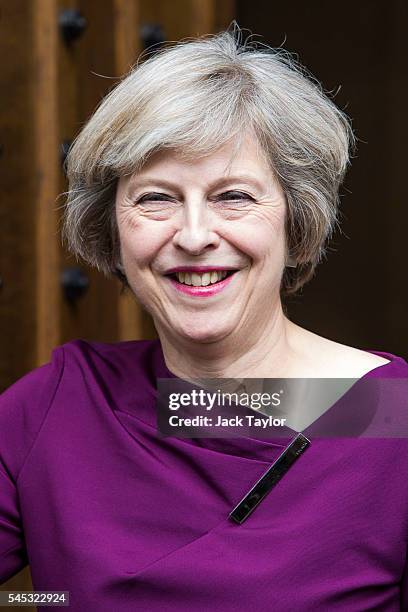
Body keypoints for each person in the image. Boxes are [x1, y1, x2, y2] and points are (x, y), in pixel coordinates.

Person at [1, 24, 407, 611]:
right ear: (111, 231)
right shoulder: (60, 405)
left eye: (233, 196)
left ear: (295, 222)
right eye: (156, 198)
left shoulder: (388, 417)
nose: (194, 236)